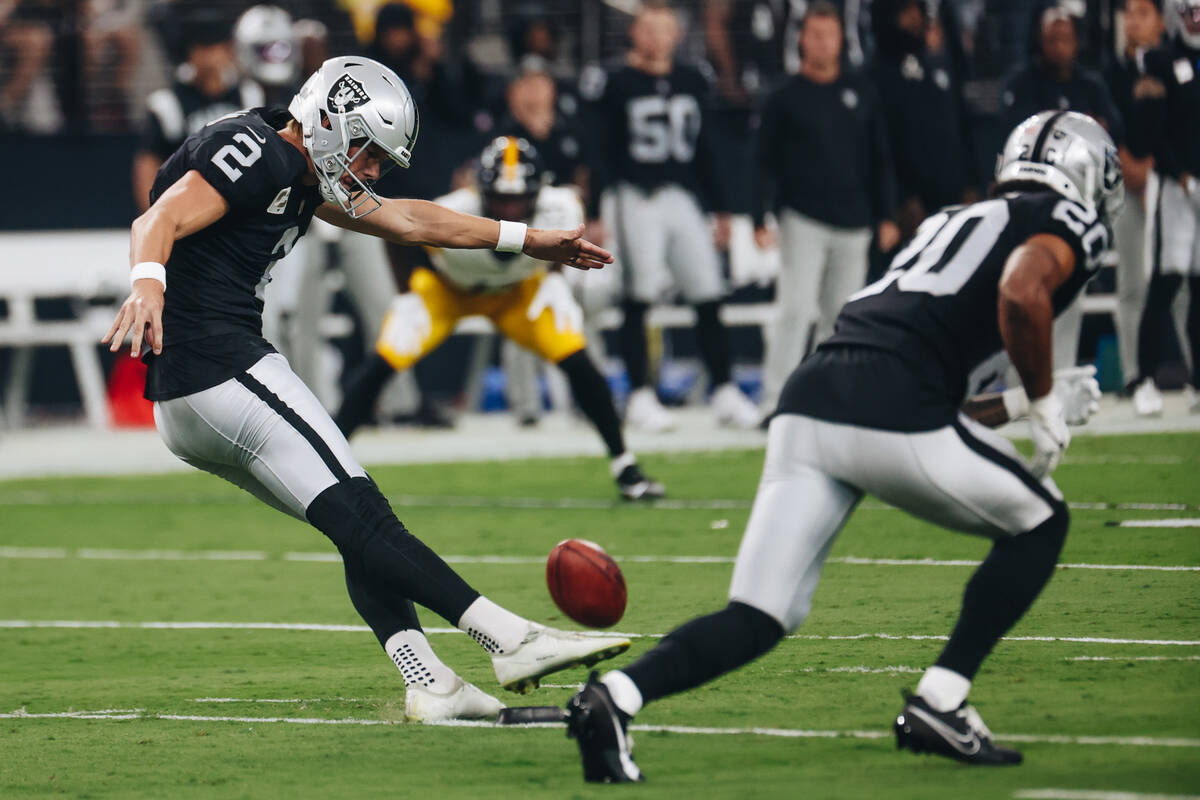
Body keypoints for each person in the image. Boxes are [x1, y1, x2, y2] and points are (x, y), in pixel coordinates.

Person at [564, 110, 1121, 781]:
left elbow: (934, 397)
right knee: (1042, 519)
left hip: (814, 397)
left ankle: (615, 698)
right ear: (1089, 174)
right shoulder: (1065, 220)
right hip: (887, 404)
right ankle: (943, 699)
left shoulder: (953, 218)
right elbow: (1020, 292)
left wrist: (1022, 400)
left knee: (760, 613)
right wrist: (1043, 396)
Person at [101, 56, 629, 724]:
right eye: (367, 150)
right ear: (328, 120)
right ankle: (508, 637)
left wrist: (527, 240)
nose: (371, 169)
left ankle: (429, 680)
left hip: (187, 399)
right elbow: (156, 219)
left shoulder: (295, 167)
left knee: (352, 522)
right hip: (221, 368)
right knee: (367, 514)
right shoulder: (261, 151)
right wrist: (147, 282)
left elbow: (406, 220)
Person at [334, 136, 666, 501]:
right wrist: (408, 291)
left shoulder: (562, 208)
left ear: (539, 192)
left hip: (517, 293)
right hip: (448, 291)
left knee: (578, 361)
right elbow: (398, 233)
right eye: (500, 198)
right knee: (384, 361)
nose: (509, 208)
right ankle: (326, 461)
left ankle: (626, 466)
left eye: (518, 198)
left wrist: (554, 278)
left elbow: (564, 242)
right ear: (481, 191)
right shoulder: (457, 207)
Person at [581, 0, 761, 432]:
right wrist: (595, 209)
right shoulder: (613, 80)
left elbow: (705, 148)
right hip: (634, 194)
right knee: (637, 294)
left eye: (665, 29)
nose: (657, 38)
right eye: (649, 29)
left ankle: (723, 389)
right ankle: (640, 394)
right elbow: (598, 148)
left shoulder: (692, 77)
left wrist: (720, 206)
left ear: (677, 34)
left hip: (682, 195)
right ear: (635, 33)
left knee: (708, 290)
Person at [753, 1, 900, 416]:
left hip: (855, 222)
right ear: (801, 39)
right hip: (802, 217)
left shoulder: (862, 91)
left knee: (842, 317)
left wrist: (886, 213)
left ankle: (830, 398)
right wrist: (758, 214)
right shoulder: (783, 97)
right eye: (814, 34)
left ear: (841, 39)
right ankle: (774, 400)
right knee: (796, 309)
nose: (821, 43)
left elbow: (879, 157)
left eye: (829, 34)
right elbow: (763, 161)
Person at [1128, 0, 1200, 415]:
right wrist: (1183, 176)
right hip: (1173, 188)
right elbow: (1151, 133)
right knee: (1164, 282)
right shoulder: (1159, 60)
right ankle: (1145, 377)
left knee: (1199, 287)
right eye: (1187, 11)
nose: (1194, 19)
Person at [132, 12, 264, 212]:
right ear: (190, 53)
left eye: (215, 48)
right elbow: (147, 163)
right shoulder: (167, 105)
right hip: (187, 207)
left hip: (240, 207)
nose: (209, 57)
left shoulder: (250, 96)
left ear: (228, 50)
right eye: (202, 48)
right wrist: (154, 215)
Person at [1104, 0, 1165, 396]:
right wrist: (1133, 170)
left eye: (1142, 12)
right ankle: (1133, 375)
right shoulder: (1112, 74)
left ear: (1161, 20)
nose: (1132, 20)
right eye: (1128, 13)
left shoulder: (1179, 64)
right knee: (1131, 284)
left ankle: (1193, 373)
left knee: (1181, 283)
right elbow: (1107, 123)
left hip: (1175, 183)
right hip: (1127, 186)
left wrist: (1160, 171)